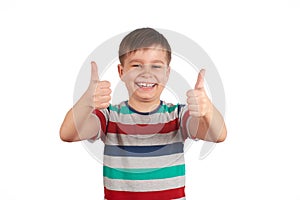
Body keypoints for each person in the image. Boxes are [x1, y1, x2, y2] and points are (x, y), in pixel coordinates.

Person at [60, 27, 227, 200]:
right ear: (121, 72)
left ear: (167, 73)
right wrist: (86, 102)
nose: (146, 73)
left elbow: (218, 134)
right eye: (136, 65)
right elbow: (68, 134)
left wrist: (208, 111)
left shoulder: (178, 115)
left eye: (156, 66)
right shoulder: (109, 117)